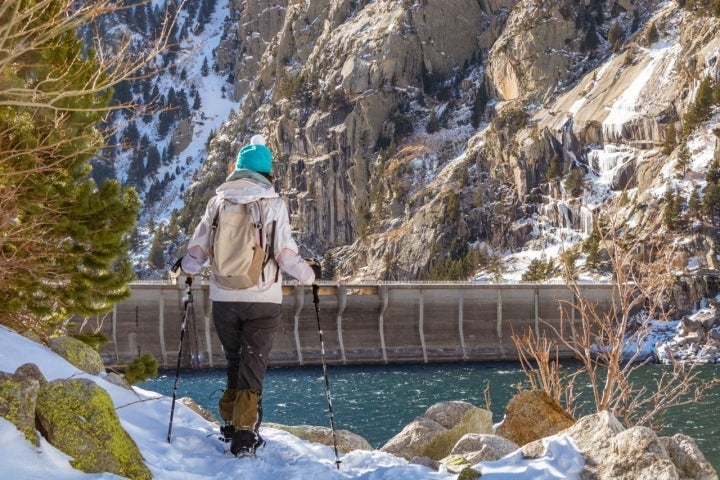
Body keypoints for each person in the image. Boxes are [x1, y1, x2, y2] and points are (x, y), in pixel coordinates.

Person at [180, 135, 320, 456]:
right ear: (267, 172)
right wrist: (311, 276)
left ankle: (229, 423)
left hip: (223, 298)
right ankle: (245, 433)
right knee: (253, 362)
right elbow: (285, 256)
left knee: (234, 359)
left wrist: (184, 268)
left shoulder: (217, 203)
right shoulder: (273, 204)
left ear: (239, 170)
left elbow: (197, 252)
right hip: (262, 300)